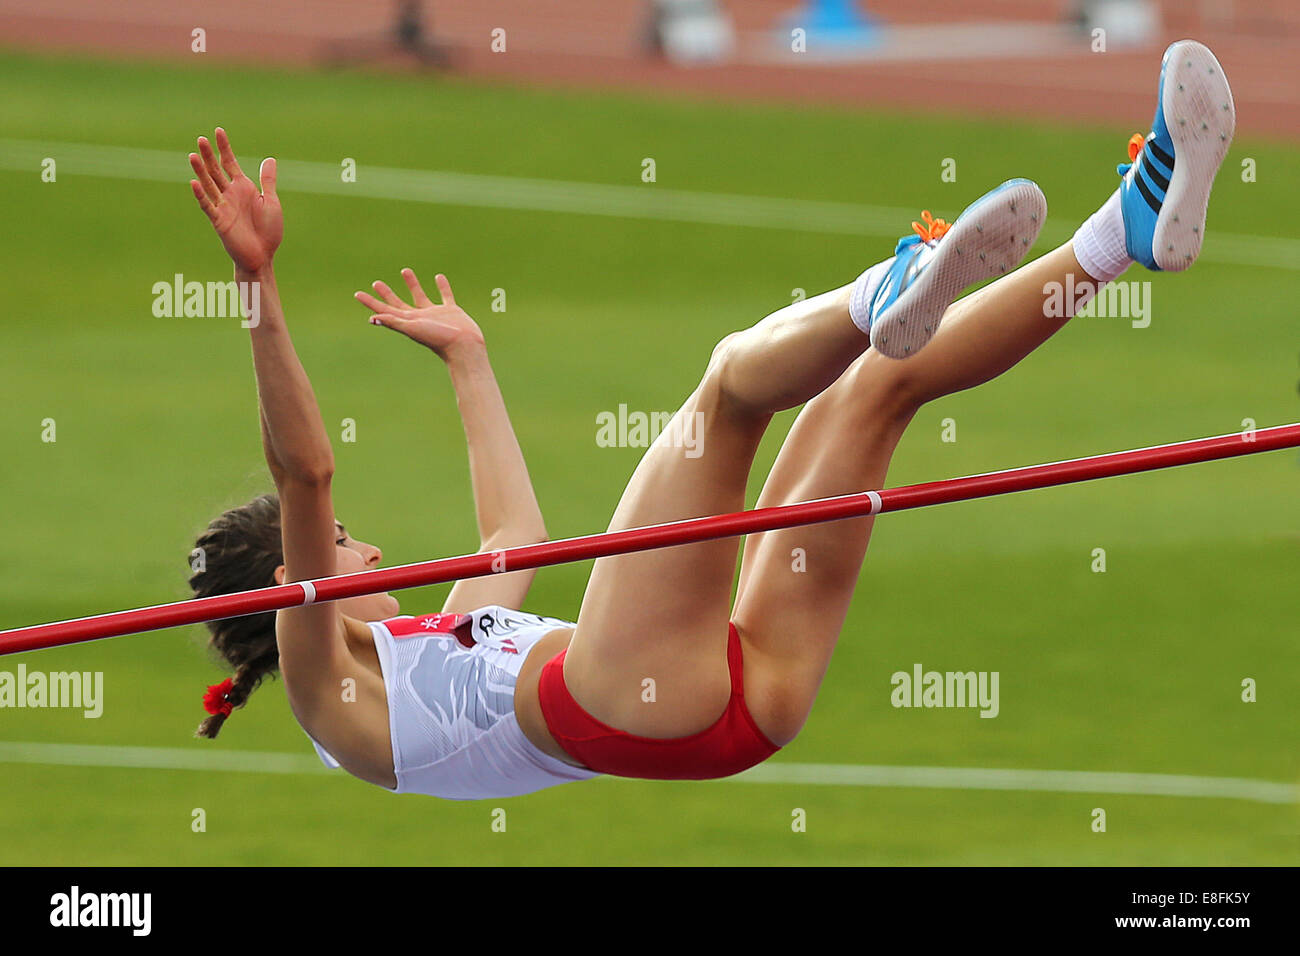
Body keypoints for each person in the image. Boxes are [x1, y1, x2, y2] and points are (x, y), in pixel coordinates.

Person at [188, 39, 1233, 799]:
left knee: (873, 389)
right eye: (338, 546)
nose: (364, 542)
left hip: (735, 698)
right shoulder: (331, 695)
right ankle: (886, 286)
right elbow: (308, 472)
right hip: (623, 697)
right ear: (293, 581)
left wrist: (470, 359)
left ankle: (1121, 234)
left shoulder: (430, 640)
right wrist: (257, 285)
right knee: (728, 387)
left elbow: (515, 541)